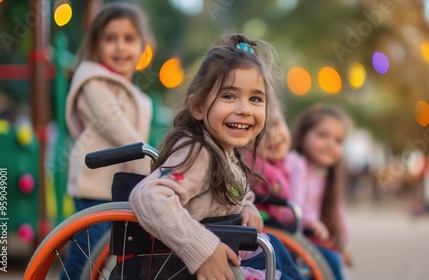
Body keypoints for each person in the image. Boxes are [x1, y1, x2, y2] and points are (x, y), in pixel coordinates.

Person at [129, 34, 303, 279]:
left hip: (228, 249)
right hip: (187, 265)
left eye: (255, 99)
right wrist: (202, 249)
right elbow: (148, 196)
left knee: (274, 245)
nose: (244, 109)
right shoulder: (198, 150)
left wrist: (246, 205)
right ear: (198, 108)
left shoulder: (227, 153)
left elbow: (231, 192)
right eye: (229, 96)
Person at [63, 3, 154, 279]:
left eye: (129, 39)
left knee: (111, 261)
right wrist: (155, 171)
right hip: (96, 187)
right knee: (86, 259)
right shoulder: (92, 82)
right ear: (96, 44)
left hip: (123, 189)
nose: (120, 47)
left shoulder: (138, 96)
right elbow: (120, 131)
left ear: (142, 46)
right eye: (110, 38)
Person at [285, 104, 353, 280]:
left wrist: (344, 244)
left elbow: (338, 211)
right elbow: (294, 201)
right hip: (293, 232)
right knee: (330, 260)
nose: (330, 144)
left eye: (338, 140)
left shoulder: (329, 176)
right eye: (322, 135)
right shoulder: (296, 163)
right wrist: (311, 221)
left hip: (310, 236)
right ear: (303, 135)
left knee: (334, 259)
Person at [245, 103, 295, 227]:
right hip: (263, 225)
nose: (272, 135)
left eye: (275, 124)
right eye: (261, 132)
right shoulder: (251, 163)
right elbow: (281, 189)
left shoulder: (285, 161)